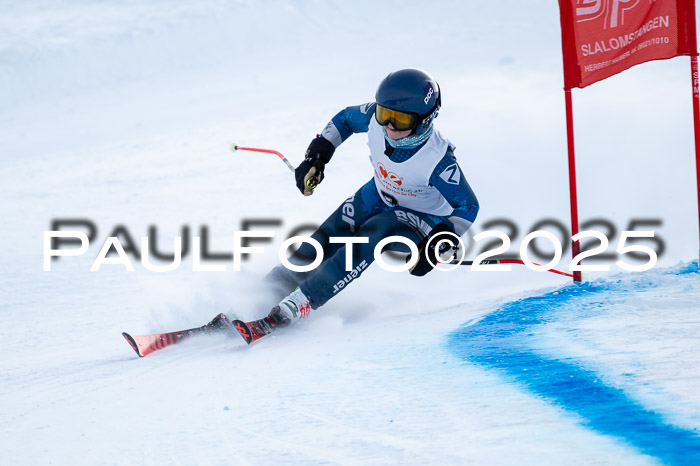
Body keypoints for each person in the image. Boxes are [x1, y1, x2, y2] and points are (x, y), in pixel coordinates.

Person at [242, 68, 479, 341]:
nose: (389, 125)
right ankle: (265, 292)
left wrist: (438, 242)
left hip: (418, 218)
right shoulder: (375, 121)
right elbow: (344, 119)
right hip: (377, 194)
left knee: (374, 232)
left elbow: (467, 207)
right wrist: (317, 156)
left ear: (425, 120)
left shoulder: (438, 160)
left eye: (400, 119)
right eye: (384, 114)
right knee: (327, 236)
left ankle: (299, 304)